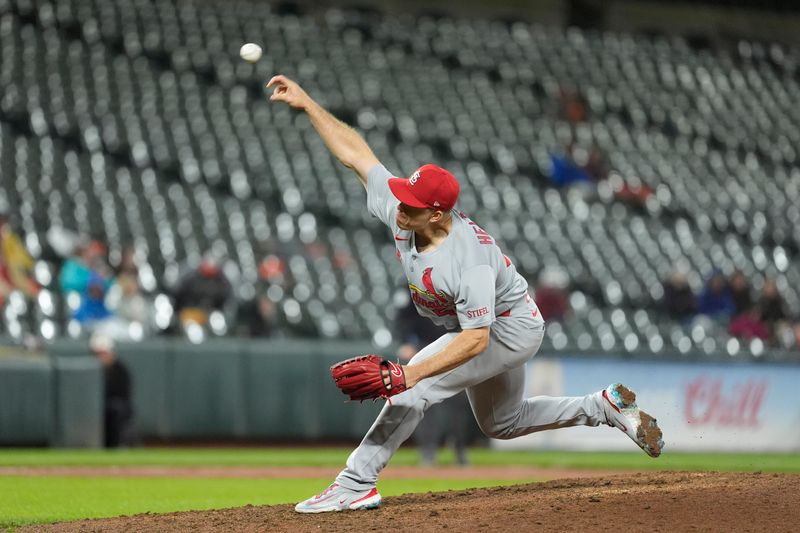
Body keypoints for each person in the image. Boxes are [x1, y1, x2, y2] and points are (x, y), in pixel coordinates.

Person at [266, 74, 664, 514]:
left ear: (437, 213)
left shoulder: (466, 258)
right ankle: (601, 406)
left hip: (507, 326)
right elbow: (358, 157)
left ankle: (356, 482)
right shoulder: (406, 213)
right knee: (502, 423)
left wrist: (411, 375)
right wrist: (308, 105)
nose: (398, 205)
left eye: (410, 203)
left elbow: (476, 339)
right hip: (491, 320)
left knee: (411, 386)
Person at [396, 298, 470, 466]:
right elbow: (402, 316)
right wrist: (405, 341)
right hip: (424, 347)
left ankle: (459, 449)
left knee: (458, 403)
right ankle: (428, 450)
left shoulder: (460, 278)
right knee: (425, 402)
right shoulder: (416, 278)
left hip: (454, 346)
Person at [90, 334, 134, 448]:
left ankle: (118, 445)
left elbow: (124, 395)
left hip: (115, 407)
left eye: (103, 353)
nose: (101, 357)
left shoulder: (120, 370)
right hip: (95, 407)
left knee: (117, 409)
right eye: (97, 354)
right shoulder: (89, 371)